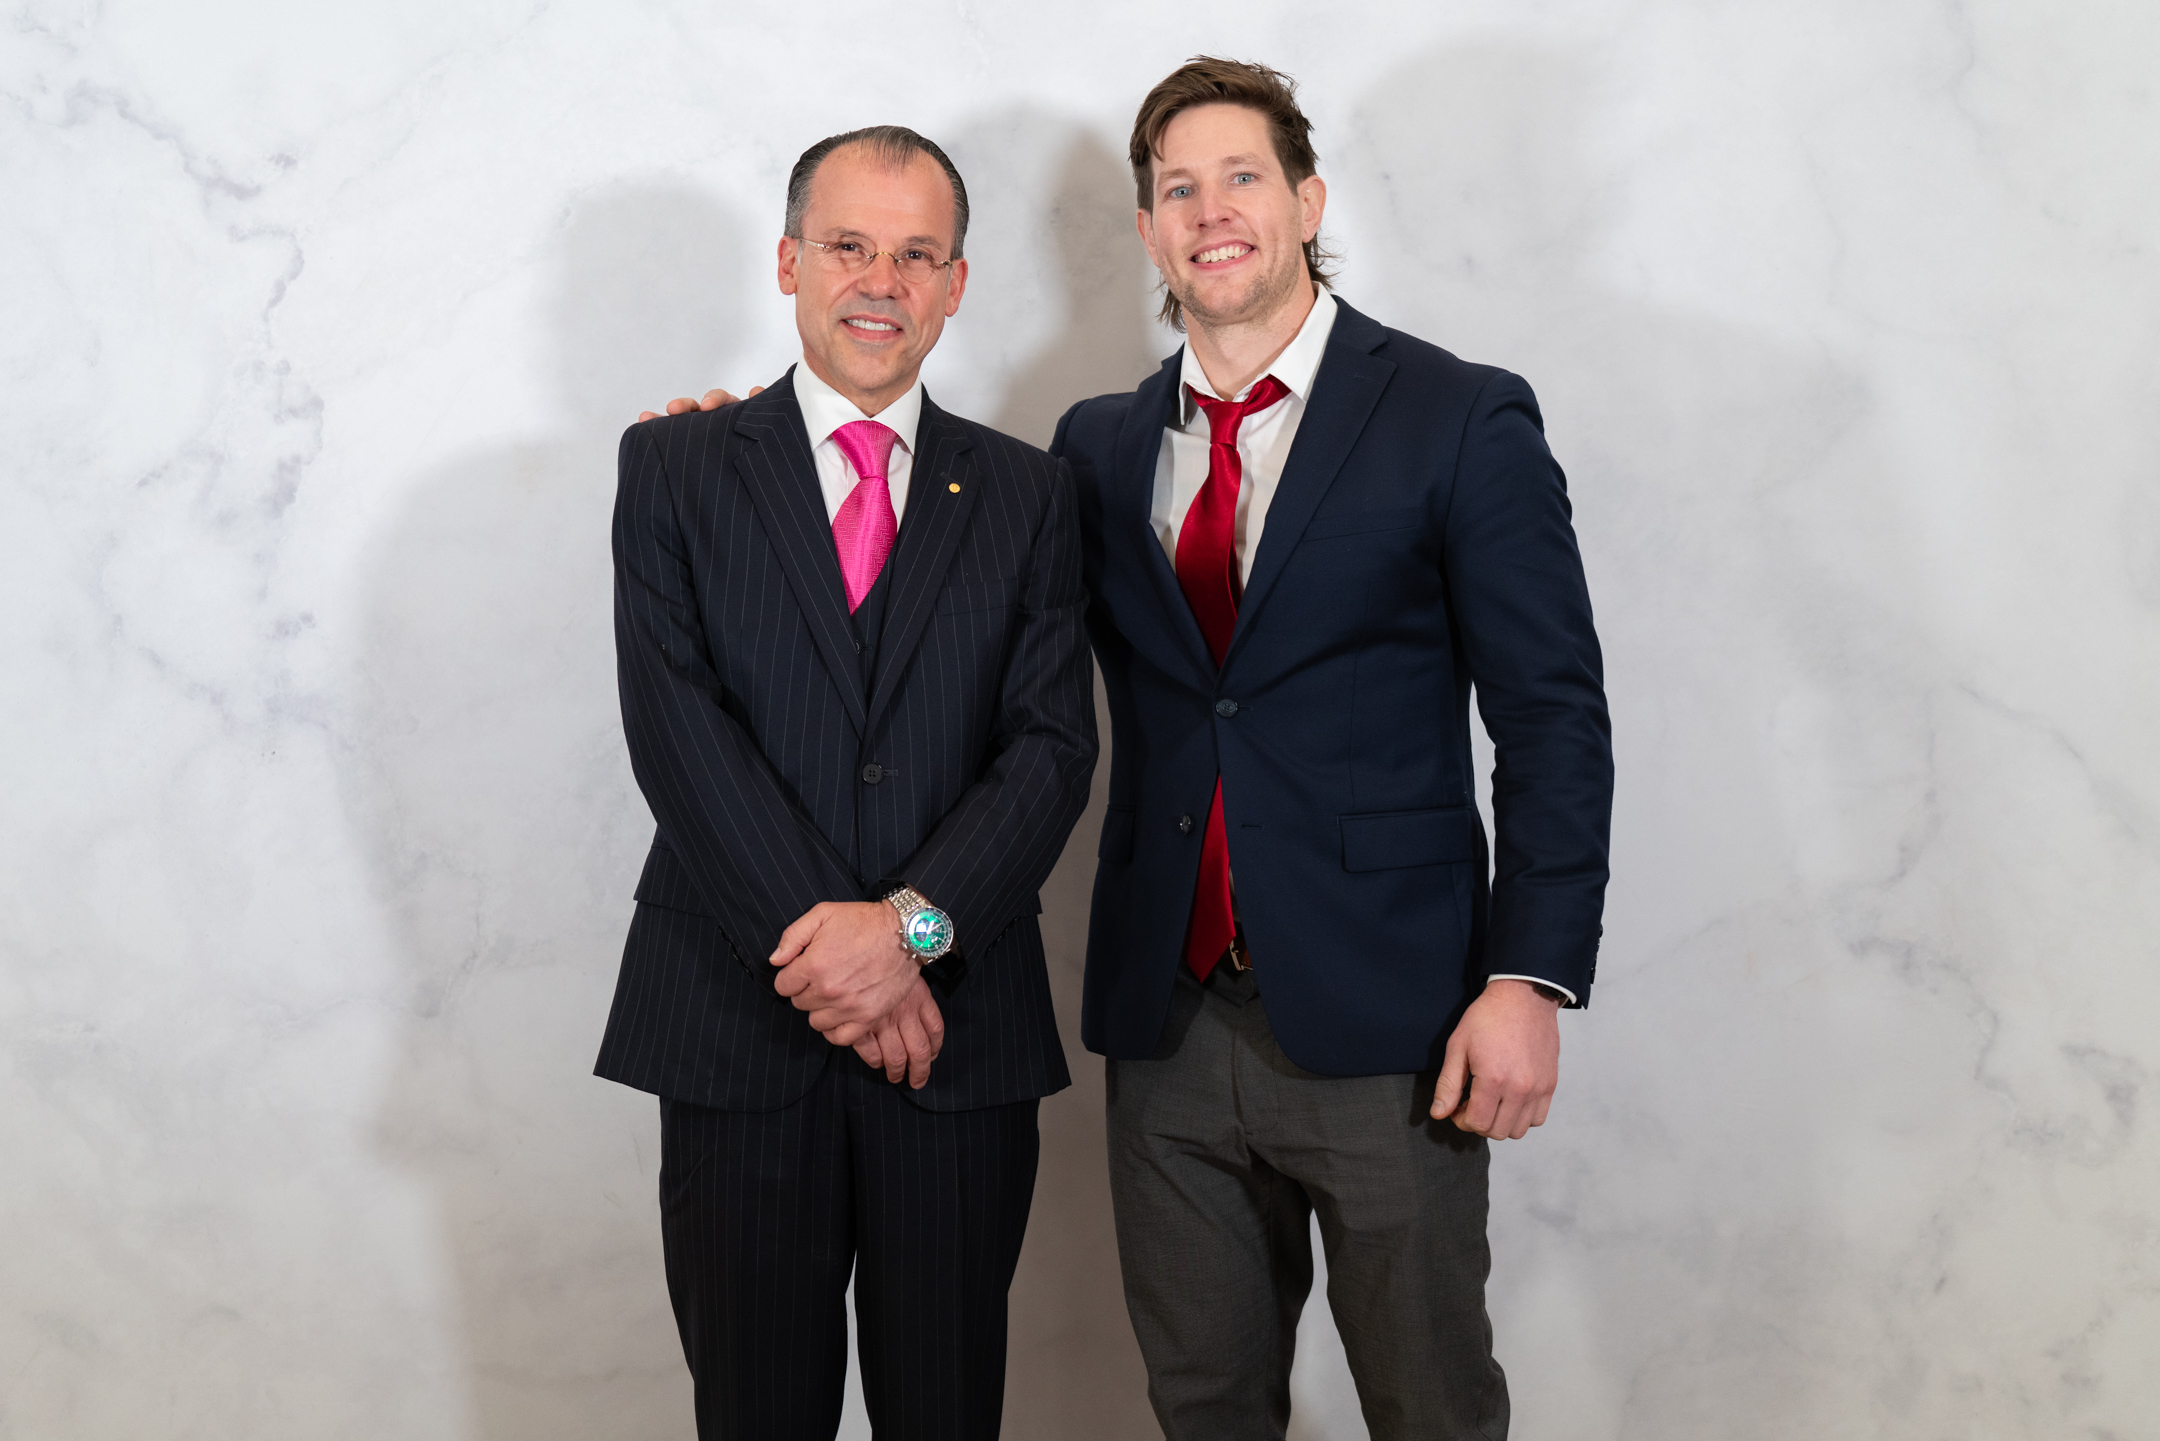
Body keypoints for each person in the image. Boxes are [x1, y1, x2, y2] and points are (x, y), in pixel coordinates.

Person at [652, 58, 1612, 1441]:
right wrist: (743, 451)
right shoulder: (1091, 453)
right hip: (1167, 1023)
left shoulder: (1458, 416)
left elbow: (1553, 716)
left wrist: (1529, 976)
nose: (1211, 211)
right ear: (1150, 229)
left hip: (1394, 1018)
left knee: (1431, 1405)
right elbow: (947, 623)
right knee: (1203, 1403)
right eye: (1178, 188)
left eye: (1242, 178)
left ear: (1307, 202)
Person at [598, 124, 1096, 1441]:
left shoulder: (1031, 495)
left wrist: (909, 935)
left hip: (957, 1037)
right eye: (849, 246)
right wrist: (842, 959)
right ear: (789, 262)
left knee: (947, 1413)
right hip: (737, 1026)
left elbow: (1053, 749)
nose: (883, 280)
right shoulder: (675, 467)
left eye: (917, 254)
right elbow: (677, 733)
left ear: (956, 284)